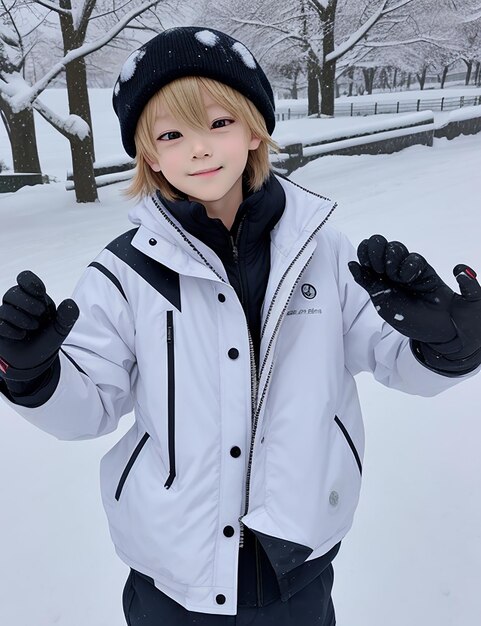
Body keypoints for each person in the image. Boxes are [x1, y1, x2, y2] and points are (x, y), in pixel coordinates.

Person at [0, 26, 480, 626]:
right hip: (173, 577)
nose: (197, 149)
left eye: (218, 123)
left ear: (255, 129)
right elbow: (90, 404)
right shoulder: (125, 272)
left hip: (296, 564)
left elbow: (390, 354)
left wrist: (447, 347)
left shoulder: (320, 251)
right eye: (171, 135)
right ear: (148, 154)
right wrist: (32, 376)